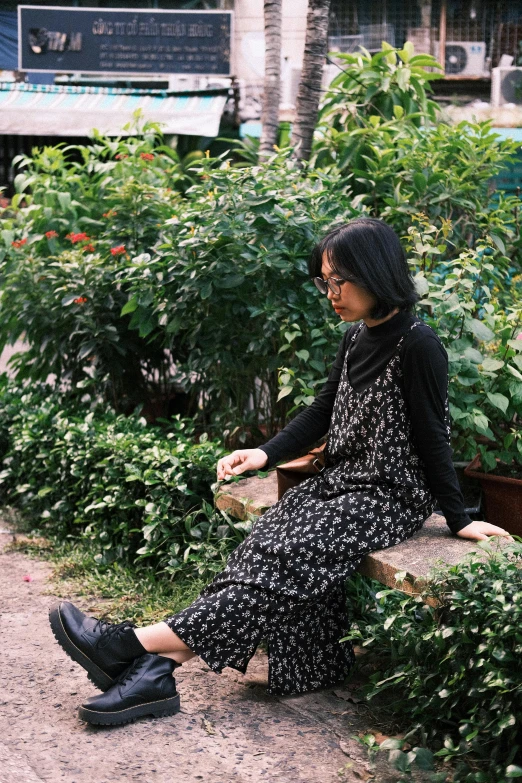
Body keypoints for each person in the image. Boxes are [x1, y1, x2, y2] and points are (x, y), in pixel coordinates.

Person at [49, 217, 513, 727]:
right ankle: (157, 669)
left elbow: (433, 437)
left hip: (389, 497)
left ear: (376, 273)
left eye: (340, 280)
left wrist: (457, 518)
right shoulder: (356, 338)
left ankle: (127, 645)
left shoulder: (419, 344)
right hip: (341, 485)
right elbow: (322, 409)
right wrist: (264, 454)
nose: (330, 293)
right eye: (324, 281)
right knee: (266, 542)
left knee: (289, 555)